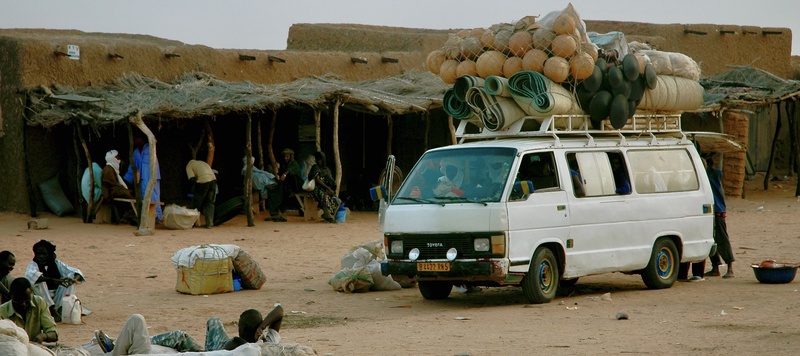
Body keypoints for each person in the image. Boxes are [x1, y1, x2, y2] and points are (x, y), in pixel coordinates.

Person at [96, 305, 284, 354]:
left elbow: (279, 310)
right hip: (218, 348)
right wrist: (262, 326)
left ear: (242, 328)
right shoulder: (267, 342)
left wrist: (260, 327)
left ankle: (127, 342)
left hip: (214, 353)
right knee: (214, 321)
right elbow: (280, 311)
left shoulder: (239, 344)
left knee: (179, 337)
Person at [24, 240, 85, 323]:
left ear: (49, 254)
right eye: (38, 254)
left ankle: (60, 309)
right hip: (42, 299)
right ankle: (51, 310)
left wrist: (73, 279)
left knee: (70, 280)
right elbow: (31, 276)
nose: (41, 256)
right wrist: (54, 280)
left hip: (57, 298)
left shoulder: (57, 263)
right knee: (38, 282)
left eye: (44, 254)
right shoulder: (33, 265)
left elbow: (75, 272)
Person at [0, 277, 58, 343]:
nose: (23, 304)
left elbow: (53, 334)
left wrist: (43, 336)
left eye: (27, 300)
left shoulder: (39, 303)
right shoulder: (2, 312)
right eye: (19, 300)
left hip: (34, 348)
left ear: (31, 292)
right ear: (11, 295)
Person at [704, 155, 735, 279]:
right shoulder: (710, 173)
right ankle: (715, 266)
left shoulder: (713, 173)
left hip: (716, 209)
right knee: (711, 239)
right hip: (713, 209)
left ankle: (729, 267)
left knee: (721, 239)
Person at [123, 131, 162, 222]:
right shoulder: (136, 152)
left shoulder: (150, 149)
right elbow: (133, 167)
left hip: (152, 178)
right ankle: (145, 217)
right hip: (142, 180)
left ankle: (157, 217)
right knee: (144, 197)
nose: (135, 141)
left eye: (137, 139)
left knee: (154, 197)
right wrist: (126, 179)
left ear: (141, 139)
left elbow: (154, 165)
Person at [266, 148, 303, 222]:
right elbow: (281, 173)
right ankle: (274, 213)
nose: (286, 158)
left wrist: (285, 174)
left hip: (295, 186)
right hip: (286, 185)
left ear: (291, 156)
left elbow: (290, 170)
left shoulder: (294, 163)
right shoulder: (284, 164)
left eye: (287, 156)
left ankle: (275, 212)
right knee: (273, 191)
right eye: (285, 157)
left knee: (278, 193)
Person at [101, 150, 137, 225]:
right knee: (127, 193)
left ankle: (129, 215)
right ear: (113, 158)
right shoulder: (108, 169)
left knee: (128, 193)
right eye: (117, 157)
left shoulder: (112, 168)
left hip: (113, 189)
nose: (118, 159)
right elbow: (112, 183)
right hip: (109, 192)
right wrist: (124, 190)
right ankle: (131, 216)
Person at [307, 151, 341, 223]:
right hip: (317, 188)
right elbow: (317, 180)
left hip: (326, 188)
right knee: (324, 196)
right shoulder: (315, 167)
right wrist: (328, 188)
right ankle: (328, 217)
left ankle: (328, 215)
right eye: (318, 159)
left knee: (337, 200)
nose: (319, 161)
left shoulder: (326, 169)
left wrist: (331, 189)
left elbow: (331, 180)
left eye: (320, 159)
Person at [186, 159, 217, 229]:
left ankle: (192, 223)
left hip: (203, 182)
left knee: (196, 202)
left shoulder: (189, 165)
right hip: (213, 181)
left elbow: (192, 179)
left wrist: (193, 190)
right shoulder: (202, 162)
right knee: (209, 202)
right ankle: (209, 224)